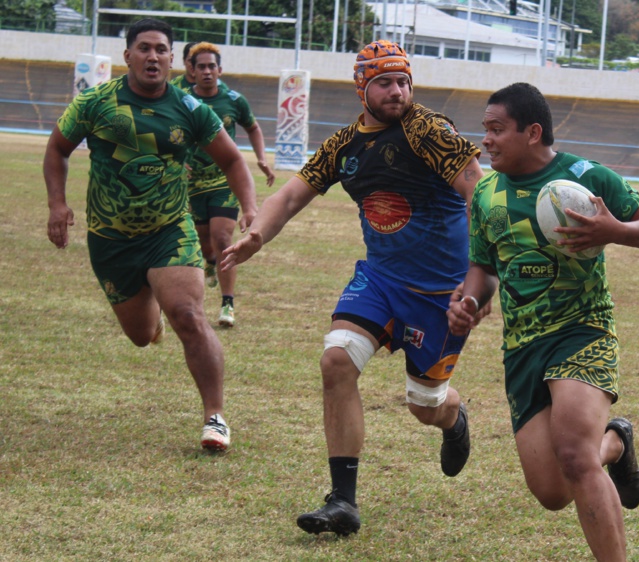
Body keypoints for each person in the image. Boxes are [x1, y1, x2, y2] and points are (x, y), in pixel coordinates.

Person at [221, 40, 485, 536]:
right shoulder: (343, 146)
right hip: (380, 280)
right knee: (337, 359)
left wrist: (479, 279)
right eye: (384, 82)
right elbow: (292, 195)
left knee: (425, 406)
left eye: (403, 81)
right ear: (362, 88)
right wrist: (257, 235)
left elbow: (479, 192)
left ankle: (454, 417)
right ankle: (343, 501)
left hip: (440, 295)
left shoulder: (428, 130)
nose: (397, 91)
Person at [447, 82, 639, 561]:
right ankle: (615, 442)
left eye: (496, 129)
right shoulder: (486, 193)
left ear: (532, 132)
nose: (485, 140)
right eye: (485, 129)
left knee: (574, 456)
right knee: (552, 492)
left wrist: (617, 230)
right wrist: (469, 301)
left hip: (582, 330)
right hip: (523, 348)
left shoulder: (585, 177)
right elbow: (484, 268)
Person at [43, 18, 258, 452]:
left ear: (171, 59)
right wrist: (57, 204)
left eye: (161, 49)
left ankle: (215, 417)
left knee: (188, 314)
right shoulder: (95, 103)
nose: (153, 56)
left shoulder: (190, 108)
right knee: (141, 335)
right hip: (111, 238)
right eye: (144, 48)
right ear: (128, 56)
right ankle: (151, 310)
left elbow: (233, 160)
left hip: (169, 230)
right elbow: (57, 149)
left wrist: (250, 208)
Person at [186, 42, 275, 327]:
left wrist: (261, 159)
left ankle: (227, 305)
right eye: (201, 67)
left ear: (220, 70)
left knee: (222, 238)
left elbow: (253, 127)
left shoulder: (234, 100)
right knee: (204, 242)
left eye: (212, 66)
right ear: (192, 71)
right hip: (191, 184)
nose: (207, 71)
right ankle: (210, 262)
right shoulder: (182, 100)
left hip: (224, 181)